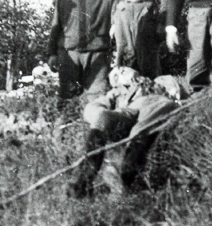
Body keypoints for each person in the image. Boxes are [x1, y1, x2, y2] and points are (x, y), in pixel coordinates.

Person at [47, 0, 141, 116]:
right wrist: (51, 52)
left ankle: (93, 137)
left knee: (97, 102)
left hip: (97, 55)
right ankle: (64, 138)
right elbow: (57, 21)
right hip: (69, 55)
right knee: (67, 103)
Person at [69, 66, 185, 198]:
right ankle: (82, 180)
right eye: (115, 76)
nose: (120, 70)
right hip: (129, 110)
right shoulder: (116, 92)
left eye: (121, 68)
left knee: (139, 130)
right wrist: (101, 119)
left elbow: (180, 93)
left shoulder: (159, 80)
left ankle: (127, 177)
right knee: (103, 117)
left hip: (156, 103)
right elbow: (91, 108)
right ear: (116, 84)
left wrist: (176, 95)